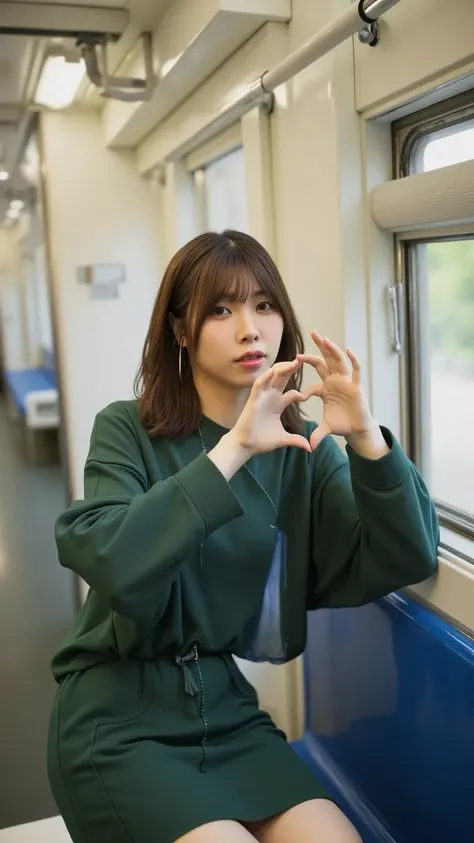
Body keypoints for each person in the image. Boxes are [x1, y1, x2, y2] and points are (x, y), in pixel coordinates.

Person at [47, 230, 439, 843]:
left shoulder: (302, 448)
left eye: (264, 306)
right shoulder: (126, 428)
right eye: (221, 310)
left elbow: (404, 553)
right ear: (180, 331)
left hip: (225, 709)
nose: (250, 330)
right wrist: (232, 450)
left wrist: (363, 437)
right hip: (117, 714)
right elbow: (112, 557)